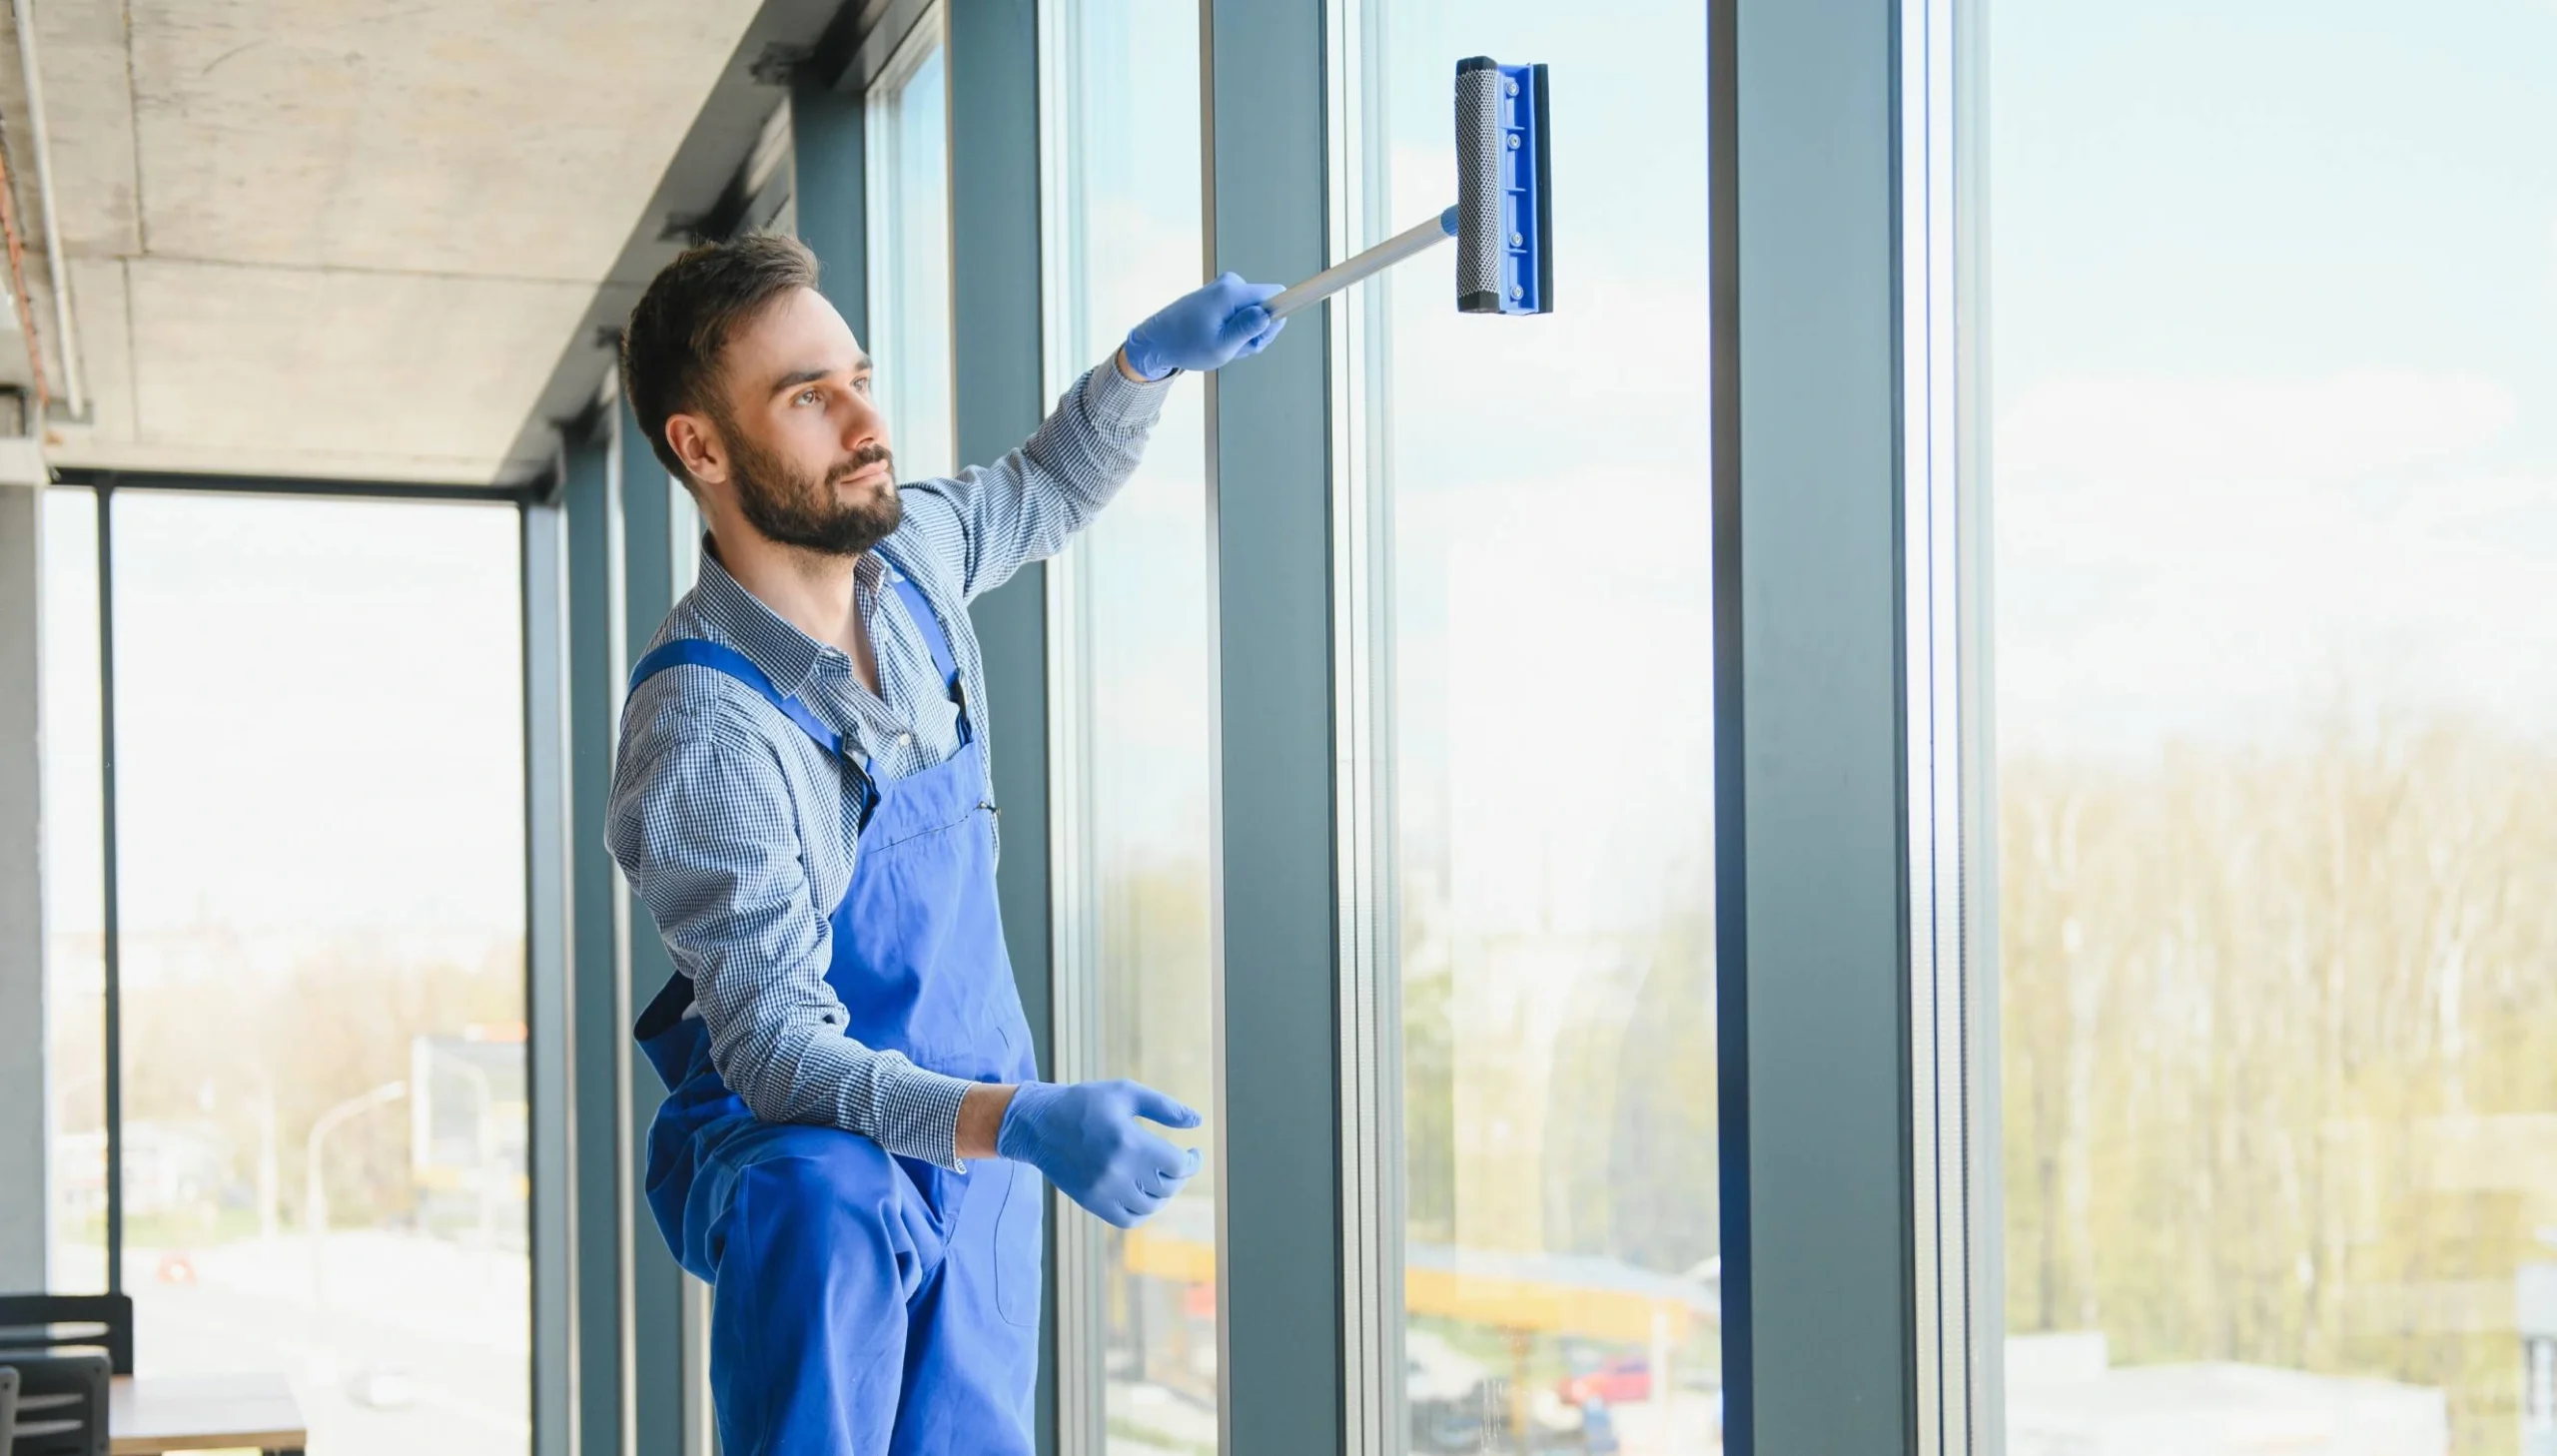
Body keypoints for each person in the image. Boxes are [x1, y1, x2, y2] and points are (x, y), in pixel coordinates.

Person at [604, 233, 1283, 1453]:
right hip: (813, 1168)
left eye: (857, 377)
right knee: (829, 1204)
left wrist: (1145, 363)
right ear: (698, 447)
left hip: (973, 1138)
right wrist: (1016, 1120)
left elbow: (1045, 487)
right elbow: (774, 1053)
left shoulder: (907, 563)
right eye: (808, 398)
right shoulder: (707, 727)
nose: (866, 423)